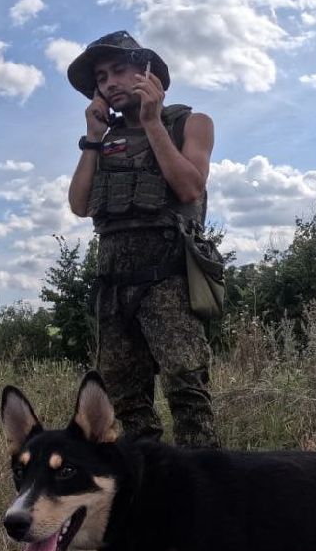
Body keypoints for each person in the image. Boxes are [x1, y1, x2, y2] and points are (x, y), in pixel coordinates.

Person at [66, 31, 220, 448]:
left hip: (169, 279)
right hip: (113, 288)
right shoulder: (103, 140)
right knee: (126, 401)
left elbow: (190, 187)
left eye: (119, 70)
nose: (109, 83)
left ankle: (202, 480)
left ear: (148, 72)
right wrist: (93, 138)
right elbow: (79, 205)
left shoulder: (191, 123)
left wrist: (152, 123)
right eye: (101, 77)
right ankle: (148, 478)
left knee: (187, 390)